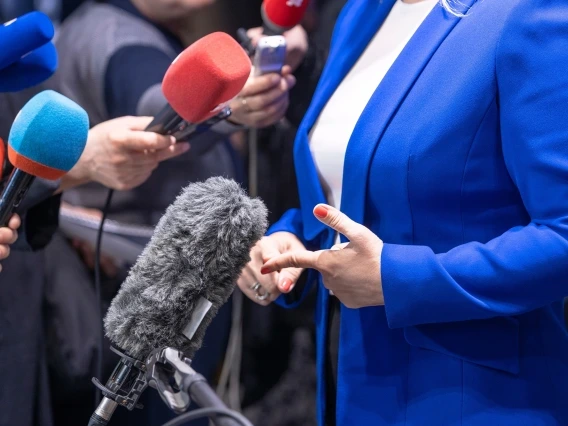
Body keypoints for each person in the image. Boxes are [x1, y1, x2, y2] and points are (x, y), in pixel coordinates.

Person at [238, 0, 568, 425]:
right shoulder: (362, 11)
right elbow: (354, 190)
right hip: (352, 381)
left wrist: (397, 278)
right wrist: (296, 240)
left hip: (471, 396)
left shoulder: (526, 14)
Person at [41, 0, 295, 425]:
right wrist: (228, 109)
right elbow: (151, 100)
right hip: (140, 315)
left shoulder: (131, 27)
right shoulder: (110, 33)